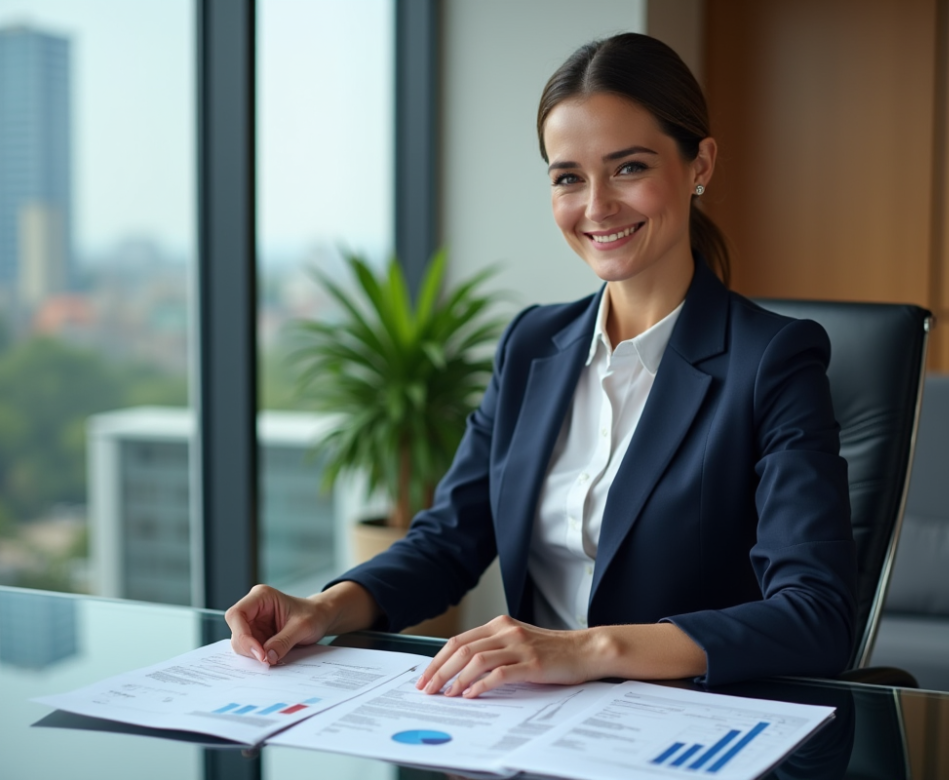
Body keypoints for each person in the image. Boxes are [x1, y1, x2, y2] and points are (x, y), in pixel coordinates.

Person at [226, 33, 856, 697]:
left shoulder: (773, 362)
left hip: (683, 725)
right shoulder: (532, 344)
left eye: (630, 168)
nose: (596, 206)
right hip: (530, 727)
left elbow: (816, 615)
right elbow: (449, 539)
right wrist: (323, 609)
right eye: (568, 178)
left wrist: (588, 650)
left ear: (700, 163)